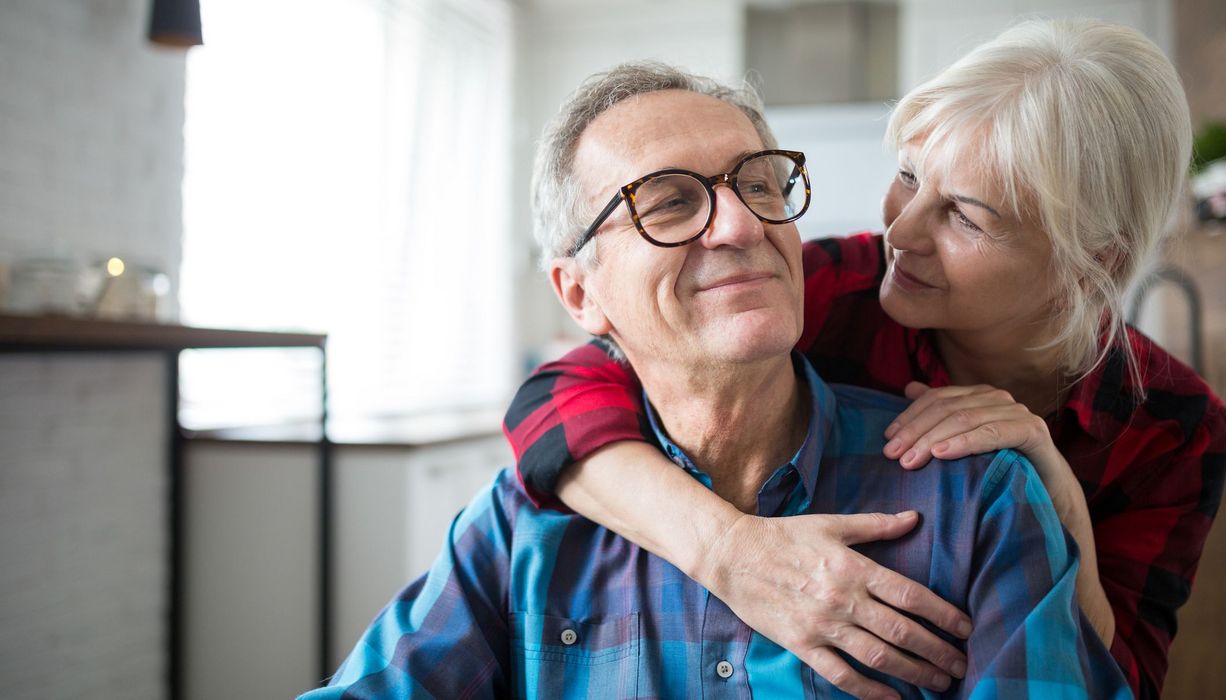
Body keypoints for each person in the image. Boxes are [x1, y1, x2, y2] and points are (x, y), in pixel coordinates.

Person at [304, 62, 1130, 699]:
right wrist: (727, 549)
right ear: (579, 293)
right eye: (667, 204)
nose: (739, 225)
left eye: (762, 183)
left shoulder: (978, 499)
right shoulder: (523, 525)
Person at [502, 16, 1226, 700]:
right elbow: (555, 397)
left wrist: (1062, 504)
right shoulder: (830, 289)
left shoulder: (1174, 425)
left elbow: (1124, 676)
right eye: (910, 177)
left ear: (1091, 261)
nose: (900, 231)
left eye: (966, 216)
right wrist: (728, 551)